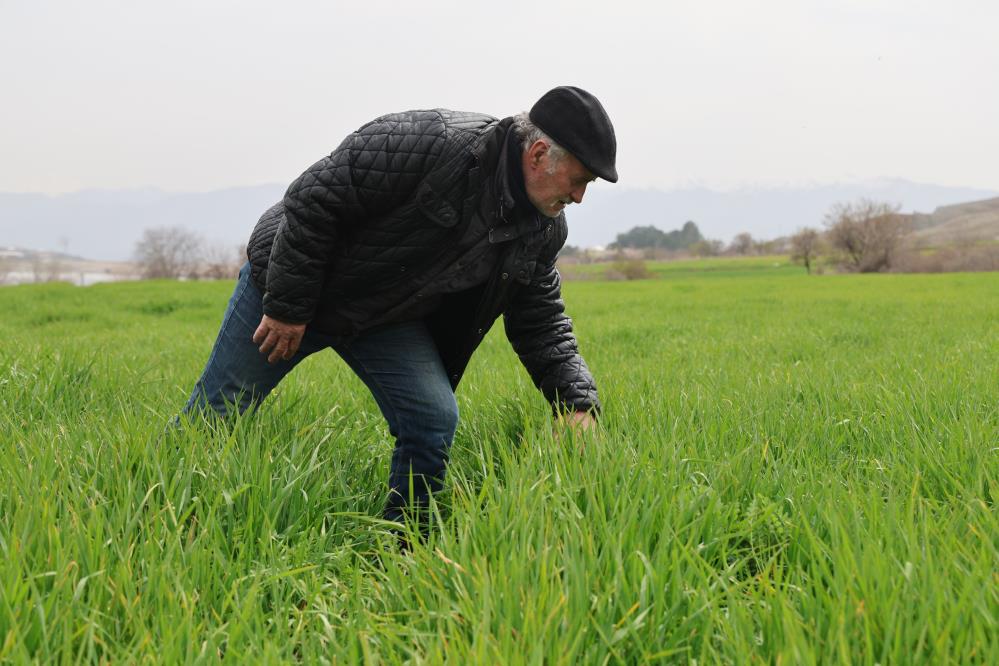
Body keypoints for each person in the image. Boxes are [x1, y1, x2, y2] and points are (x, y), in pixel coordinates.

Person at [182, 86, 618, 528]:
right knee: (216, 413)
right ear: (539, 154)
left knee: (432, 418)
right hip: (290, 289)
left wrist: (576, 403)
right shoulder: (430, 142)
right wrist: (288, 308)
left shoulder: (542, 229)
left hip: (383, 315)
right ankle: (167, 518)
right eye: (578, 180)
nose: (579, 197)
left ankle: (406, 539)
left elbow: (541, 319)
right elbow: (312, 202)